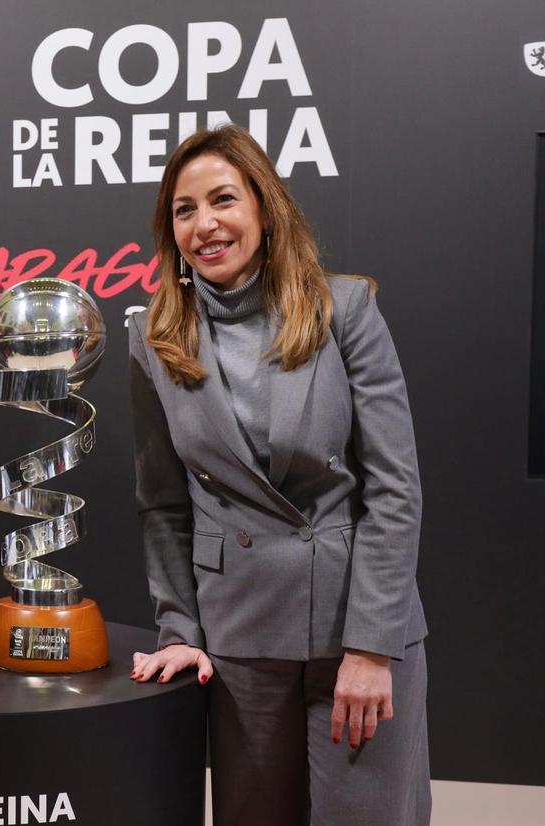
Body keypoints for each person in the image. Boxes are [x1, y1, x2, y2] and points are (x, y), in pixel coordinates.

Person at [127, 124, 430, 825]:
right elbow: (163, 505)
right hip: (241, 642)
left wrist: (371, 647)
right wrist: (179, 631)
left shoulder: (342, 309)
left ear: (264, 207)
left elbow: (394, 487)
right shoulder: (153, 338)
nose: (206, 224)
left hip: (357, 631)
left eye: (224, 199)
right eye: (184, 209)